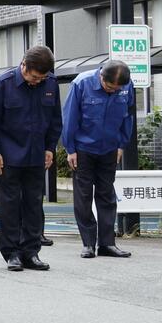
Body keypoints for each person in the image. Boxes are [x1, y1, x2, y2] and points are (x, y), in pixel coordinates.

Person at [0, 46, 61, 272]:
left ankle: (31, 252)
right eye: (34, 76)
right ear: (23, 65)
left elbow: (56, 120)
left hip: (37, 155)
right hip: (8, 157)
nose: (37, 81)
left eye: (42, 77)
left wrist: (50, 147)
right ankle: (12, 253)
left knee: (34, 204)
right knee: (9, 206)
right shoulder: (3, 84)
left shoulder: (51, 85)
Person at [62, 59, 135, 259]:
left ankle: (107, 243)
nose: (113, 90)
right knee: (83, 197)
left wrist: (121, 144)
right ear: (101, 76)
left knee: (107, 196)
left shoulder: (127, 87)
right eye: (109, 86)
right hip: (83, 149)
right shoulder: (81, 83)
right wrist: (70, 149)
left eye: (117, 88)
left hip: (110, 148)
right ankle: (88, 243)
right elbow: (69, 117)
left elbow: (128, 116)